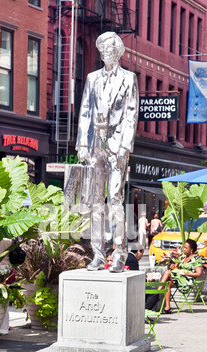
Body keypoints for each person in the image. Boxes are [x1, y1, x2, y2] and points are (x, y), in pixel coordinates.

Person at [76, 31, 139, 273]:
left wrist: (125, 146)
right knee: (94, 202)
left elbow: (131, 115)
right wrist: (82, 144)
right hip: (95, 145)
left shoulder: (129, 78)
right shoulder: (92, 79)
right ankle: (98, 254)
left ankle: (119, 253)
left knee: (114, 199)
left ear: (119, 52)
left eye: (110, 51)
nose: (106, 55)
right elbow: (85, 112)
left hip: (116, 146)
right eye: (102, 51)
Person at [159, 239, 203, 314]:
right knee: (167, 284)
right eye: (183, 248)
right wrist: (173, 266)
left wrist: (186, 273)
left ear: (191, 249)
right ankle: (167, 307)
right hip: (179, 278)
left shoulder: (196, 259)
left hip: (187, 281)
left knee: (167, 273)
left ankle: (156, 292)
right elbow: (176, 268)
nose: (184, 250)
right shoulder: (182, 257)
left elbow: (199, 274)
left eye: (186, 248)